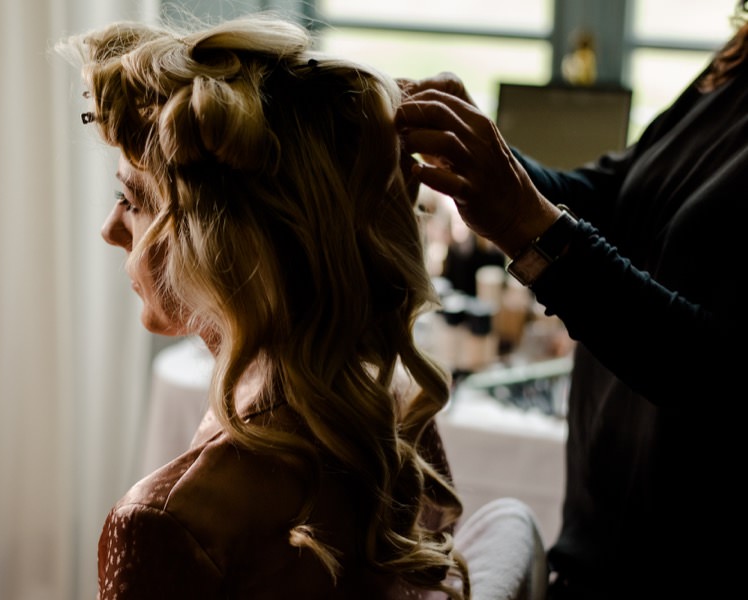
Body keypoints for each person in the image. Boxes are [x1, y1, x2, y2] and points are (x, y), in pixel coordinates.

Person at [56, 14, 473, 599]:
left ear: (224, 243)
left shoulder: (166, 525)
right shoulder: (390, 419)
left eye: (133, 199)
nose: (109, 230)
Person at [396, 2, 748, 598]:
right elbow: (615, 194)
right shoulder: (736, 63)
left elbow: (718, 372)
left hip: (694, 556)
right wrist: (486, 159)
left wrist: (525, 224)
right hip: (604, 530)